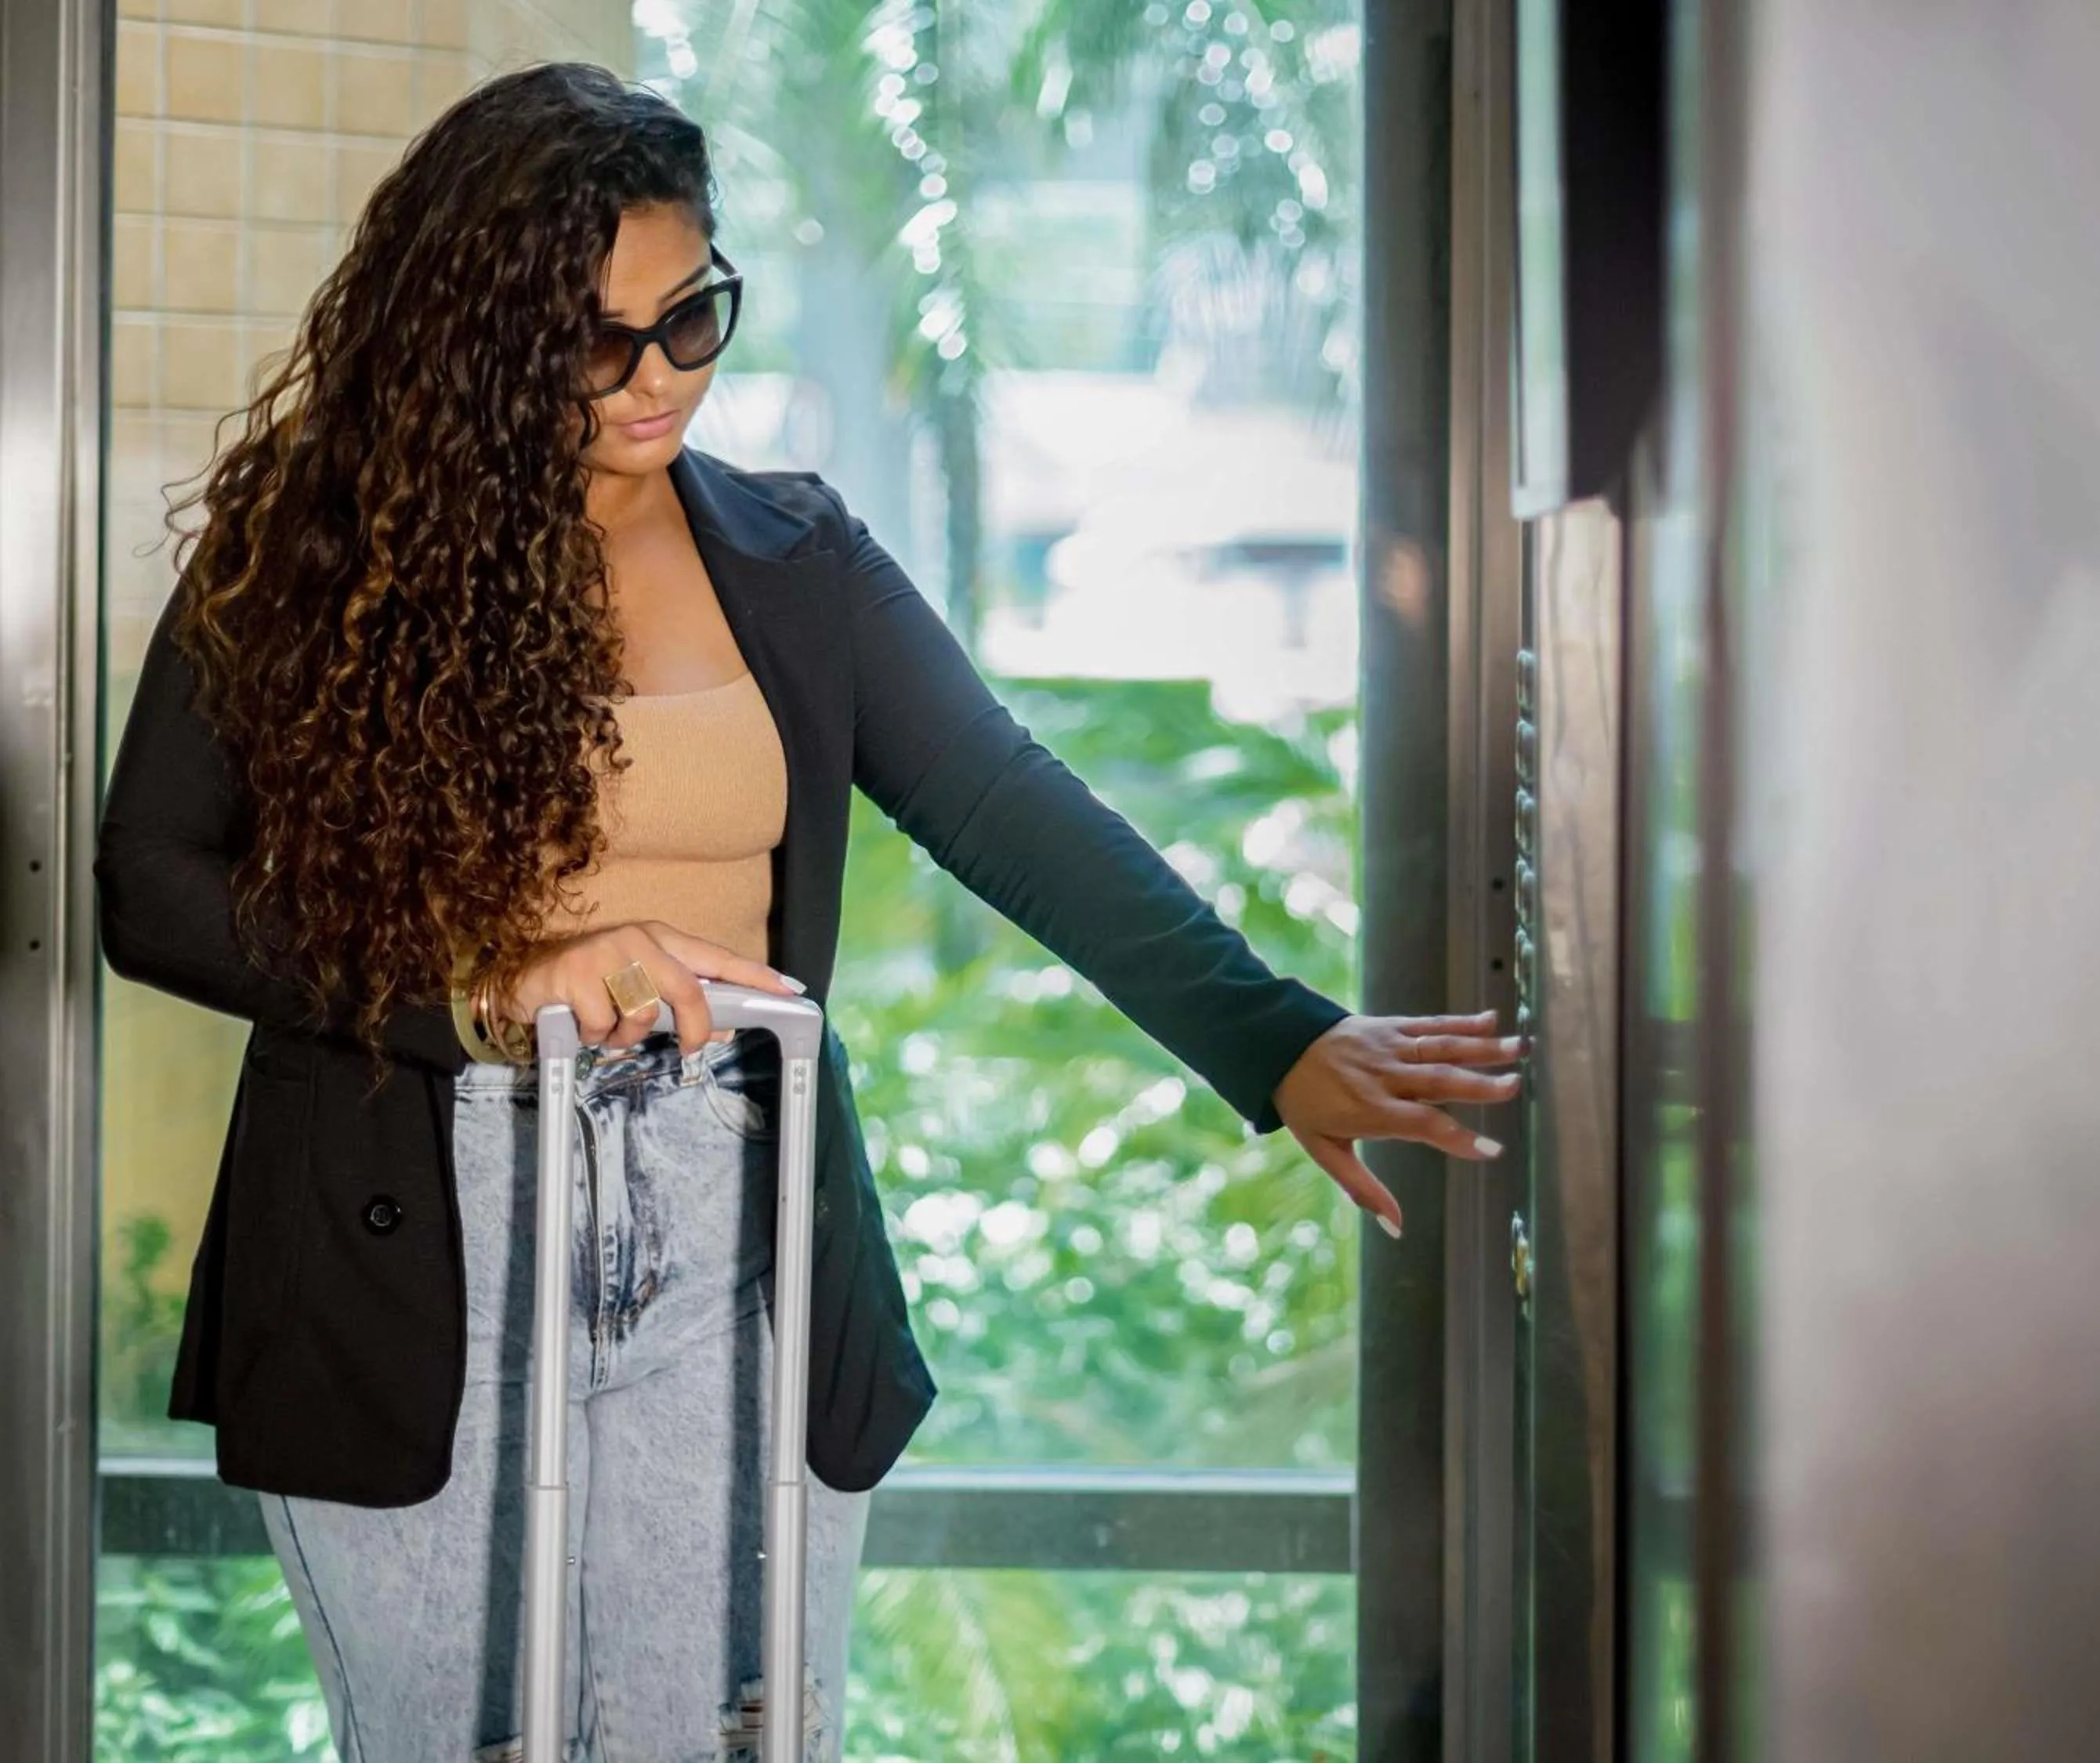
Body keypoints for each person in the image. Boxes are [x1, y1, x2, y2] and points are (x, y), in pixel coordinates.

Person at [93, 60, 1523, 1763]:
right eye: (592, 340)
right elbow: (150, 889)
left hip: (735, 1221)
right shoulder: (305, 559)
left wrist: (1274, 1042)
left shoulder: (795, 558)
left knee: (727, 1740)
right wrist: (481, 990)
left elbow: (1007, 806)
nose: (652, 382)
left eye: (689, 321)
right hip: (423, 1220)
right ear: (470, 336)